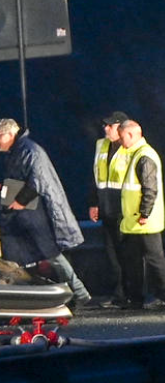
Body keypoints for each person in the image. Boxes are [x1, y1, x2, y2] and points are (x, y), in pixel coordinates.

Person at [0, 118, 93, 307]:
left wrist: (22, 200)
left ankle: (79, 292)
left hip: (33, 213)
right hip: (21, 213)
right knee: (21, 256)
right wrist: (5, 189)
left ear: (10, 134)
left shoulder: (29, 151)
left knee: (50, 253)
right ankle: (25, 297)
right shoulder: (18, 151)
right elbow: (21, 180)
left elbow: (38, 179)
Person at [116, 120, 165, 309]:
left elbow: (149, 188)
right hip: (134, 221)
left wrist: (145, 212)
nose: (120, 141)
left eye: (121, 137)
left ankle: (161, 295)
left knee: (154, 260)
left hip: (144, 221)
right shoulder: (137, 155)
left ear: (130, 134)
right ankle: (135, 298)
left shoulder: (144, 156)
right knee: (133, 261)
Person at [86, 111, 129, 307]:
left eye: (110, 126)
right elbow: (96, 176)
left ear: (121, 128)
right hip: (107, 208)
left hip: (125, 210)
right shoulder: (101, 145)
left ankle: (131, 294)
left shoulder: (130, 148)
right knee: (112, 254)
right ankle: (119, 294)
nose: (105, 128)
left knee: (128, 254)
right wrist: (94, 203)